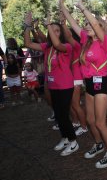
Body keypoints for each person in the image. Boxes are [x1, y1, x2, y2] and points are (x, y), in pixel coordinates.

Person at [60, 0, 107, 168]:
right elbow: (73, 24)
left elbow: (93, 23)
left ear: (101, 28)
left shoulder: (104, 42)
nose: (88, 26)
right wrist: (62, 6)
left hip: (101, 85)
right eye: (88, 26)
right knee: (91, 121)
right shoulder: (86, 41)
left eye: (94, 25)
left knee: (100, 122)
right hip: (90, 84)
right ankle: (99, 144)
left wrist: (83, 8)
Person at [24, 12, 79, 157]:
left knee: (63, 115)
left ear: (61, 33)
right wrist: (28, 26)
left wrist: (48, 25)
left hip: (65, 86)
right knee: (58, 116)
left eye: (57, 30)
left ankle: (74, 142)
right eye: (52, 30)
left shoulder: (66, 46)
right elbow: (28, 43)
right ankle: (65, 138)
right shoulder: (47, 47)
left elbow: (57, 43)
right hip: (53, 86)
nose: (54, 32)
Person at [58, 10, 88, 137]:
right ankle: (76, 122)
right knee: (72, 104)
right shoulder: (70, 47)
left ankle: (84, 126)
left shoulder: (77, 46)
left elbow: (69, 36)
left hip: (76, 78)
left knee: (76, 104)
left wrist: (63, 23)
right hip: (71, 78)